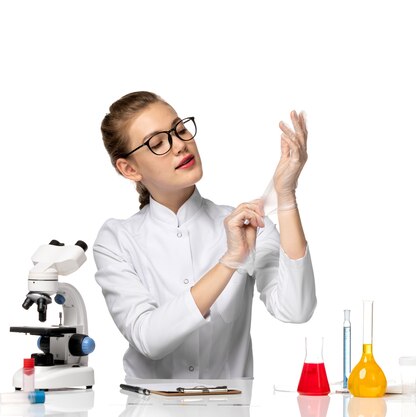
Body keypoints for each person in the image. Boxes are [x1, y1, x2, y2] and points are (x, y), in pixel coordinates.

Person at [93, 91, 316, 380]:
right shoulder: (117, 239)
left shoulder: (245, 224)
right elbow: (149, 338)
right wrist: (230, 261)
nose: (179, 146)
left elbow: (296, 309)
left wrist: (285, 197)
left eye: (180, 130)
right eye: (158, 143)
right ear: (129, 168)